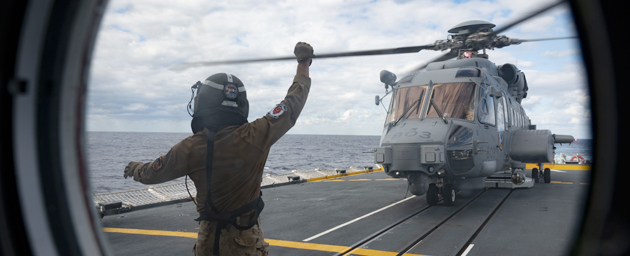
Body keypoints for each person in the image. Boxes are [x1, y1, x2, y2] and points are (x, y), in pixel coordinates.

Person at [123, 42, 314, 256]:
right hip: (245, 243)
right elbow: (293, 102)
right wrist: (303, 64)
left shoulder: (191, 147)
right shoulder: (257, 134)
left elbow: (152, 173)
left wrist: (136, 168)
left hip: (207, 243)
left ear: (203, 102)